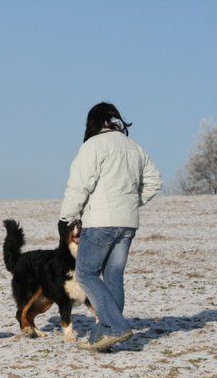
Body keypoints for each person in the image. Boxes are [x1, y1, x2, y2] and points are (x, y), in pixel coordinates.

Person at [60, 102, 162, 352]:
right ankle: (101, 338)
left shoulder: (93, 146)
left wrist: (67, 216)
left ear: (92, 122)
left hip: (100, 222)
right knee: (113, 276)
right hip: (128, 223)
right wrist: (130, 202)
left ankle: (116, 327)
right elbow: (154, 181)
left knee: (85, 274)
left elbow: (79, 185)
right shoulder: (134, 147)